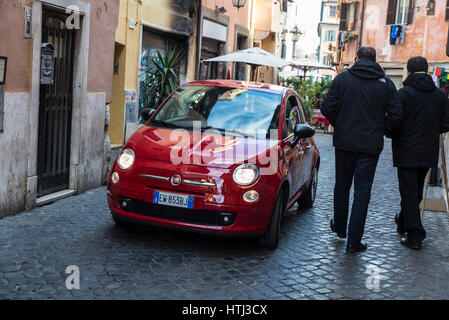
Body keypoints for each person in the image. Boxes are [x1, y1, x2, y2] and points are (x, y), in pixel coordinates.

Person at [321, 46, 401, 253]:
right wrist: (383, 130)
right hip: (369, 145)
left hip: (345, 143)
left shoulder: (342, 79)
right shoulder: (386, 84)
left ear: (357, 58)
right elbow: (396, 115)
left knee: (342, 185)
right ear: (375, 60)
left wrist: (342, 125)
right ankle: (353, 241)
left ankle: (340, 228)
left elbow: (327, 107)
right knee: (362, 191)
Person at [386, 56, 449, 250]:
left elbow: (394, 121)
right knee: (415, 191)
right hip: (427, 151)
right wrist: (430, 132)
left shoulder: (404, 94)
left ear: (409, 71)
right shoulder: (439, 95)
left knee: (409, 192)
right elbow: (446, 123)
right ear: (427, 70)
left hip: (406, 150)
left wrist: (390, 132)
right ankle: (404, 222)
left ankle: (415, 234)